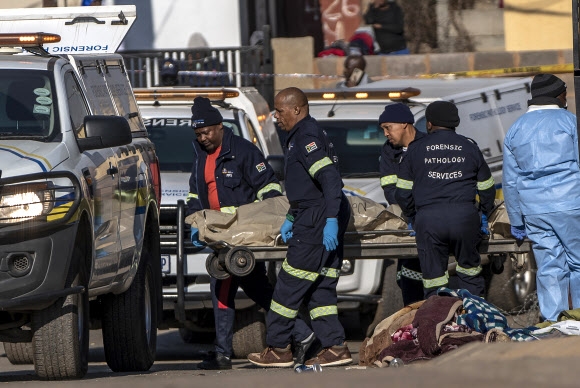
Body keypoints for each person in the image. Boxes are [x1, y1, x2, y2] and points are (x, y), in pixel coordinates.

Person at [186, 96, 313, 369]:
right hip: (219, 238)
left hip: (243, 237)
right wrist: (196, 223)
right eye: (198, 134)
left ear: (220, 127)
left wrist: (260, 222)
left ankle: (223, 354)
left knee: (230, 289)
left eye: (206, 131)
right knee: (254, 290)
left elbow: (269, 189)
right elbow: (196, 194)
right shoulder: (200, 156)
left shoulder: (244, 151)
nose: (203, 138)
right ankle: (302, 334)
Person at [248, 87, 352, 367]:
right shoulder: (302, 135)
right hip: (314, 214)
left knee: (288, 286)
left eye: (280, 111)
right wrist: (293, 216)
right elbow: (308, 186)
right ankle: (335, 347)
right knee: (320, 287)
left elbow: (330, 179)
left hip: (317, 219)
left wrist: (328, 219)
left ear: (297, 109)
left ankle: (279, 348)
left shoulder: (306, 137)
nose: (275, 116)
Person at [395, 101, 496, 298]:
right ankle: (475, 319)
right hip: (465, 219)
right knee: (470, 272)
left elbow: (402, 192)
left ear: (429, 124)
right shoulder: (470, 146)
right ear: (455, 123)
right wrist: (485, 213)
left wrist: (413, 216)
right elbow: (487, 187)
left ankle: (437, 321)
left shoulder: (415, 150)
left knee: (434, 279)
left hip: (429, 220)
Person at [503, 73, 580, 322]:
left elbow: (511, 179)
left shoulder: (515, 129)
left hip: (533, 210)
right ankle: (578, 317)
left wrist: (516, 219)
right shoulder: (570, 122)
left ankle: (553, 321)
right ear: (558, 95)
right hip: (571, 203)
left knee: (549, 266)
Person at [379, 103, 425, 305]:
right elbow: (390, 190)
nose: (386, 133)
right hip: (408, 222)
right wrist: (410, 212)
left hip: (431, 219)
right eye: (383, 129)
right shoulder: (389, 151)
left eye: (388, 127)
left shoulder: (428, 144)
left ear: (405, 124)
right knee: (407, 276)